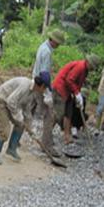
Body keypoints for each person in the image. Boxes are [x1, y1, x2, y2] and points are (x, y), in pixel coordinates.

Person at [0, 72, 51, 165]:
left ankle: (11, 149)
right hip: (0, 100)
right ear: (42, 86)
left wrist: (31, 128)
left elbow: (26, 110)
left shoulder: (33, 92)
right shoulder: (25, 85)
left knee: (21, 125)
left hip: (8, 103)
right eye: (45, 88)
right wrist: (19, 117)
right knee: (5, 130)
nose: (45, 90)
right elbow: (11, 101)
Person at [52, 55, 101, 144]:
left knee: (69, 112)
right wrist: (77, 93)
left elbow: (77, 83)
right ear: (89, 62)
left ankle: (67, 136)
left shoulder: (85, 70)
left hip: (68, 90)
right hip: (61, 88)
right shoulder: (80, 67)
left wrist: (77, 95)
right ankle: (47, 134)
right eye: (92, 66)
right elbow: (69, 80)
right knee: (58, 114)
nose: (92, 69)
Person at [31, 29, 65, 157]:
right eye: (58, 42)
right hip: (40, 85)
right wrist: (48, 92)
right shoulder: (46, 52)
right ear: (54, 40)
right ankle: (47, 145)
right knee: (49, 115)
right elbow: (45, 74)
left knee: (29, 109)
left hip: (36, 82)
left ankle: (17, 137)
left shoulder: (43, 47)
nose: (59, 45)